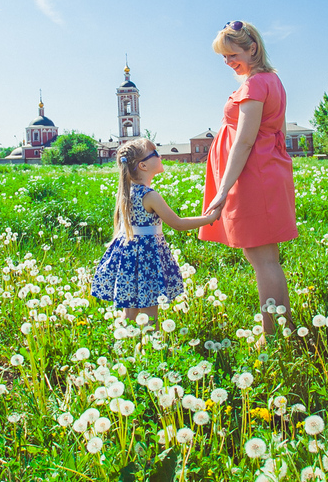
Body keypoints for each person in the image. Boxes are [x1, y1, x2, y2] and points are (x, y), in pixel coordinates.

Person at [200, 20, 298, 335]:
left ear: (252, 48)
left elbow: (244, 141)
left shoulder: (255, 84)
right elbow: (278, 131)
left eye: (232, 55)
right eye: (224, 58)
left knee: (262, 261)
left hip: (252, 177)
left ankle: (271, 338)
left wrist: (223, 190)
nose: (228, 63)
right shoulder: (272, 80)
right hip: (264, 173)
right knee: (268, 260)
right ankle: (285, 328)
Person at [92, 138, 223, 322]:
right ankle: (153, 347)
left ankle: (127, 345)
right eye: (155, 153)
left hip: (127, 258)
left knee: (129, 313)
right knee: (150, 311)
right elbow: (177, 223)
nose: (160, 156)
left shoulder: (127, 192)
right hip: (147, 258)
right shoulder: (150, 195)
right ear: (143, 165)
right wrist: (209, 218)